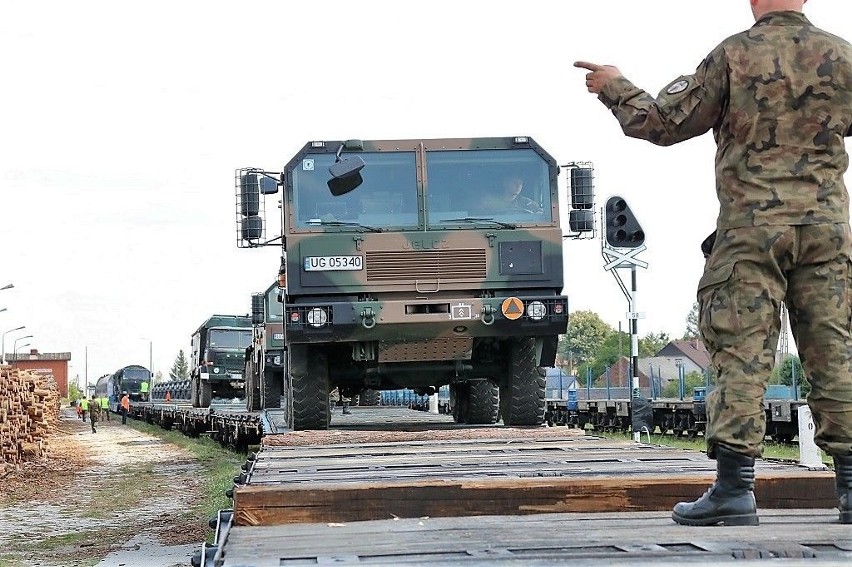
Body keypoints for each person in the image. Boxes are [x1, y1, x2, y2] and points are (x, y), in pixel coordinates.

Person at [576, 0, 852, 526]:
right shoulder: (842, 56)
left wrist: (614, 84)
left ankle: (734, 491)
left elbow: (659, 122)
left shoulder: (734, 56)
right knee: (836, 351)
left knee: (741, 351)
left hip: (751, 232)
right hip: (827, 231)